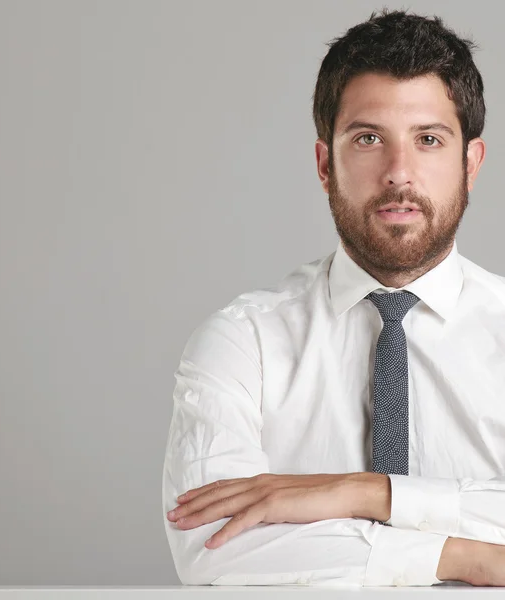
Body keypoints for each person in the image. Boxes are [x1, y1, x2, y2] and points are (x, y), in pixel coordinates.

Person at [162, 8, 505, 587]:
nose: (400, 172)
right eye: (369, 138)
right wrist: (467, 558)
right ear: (326, 164)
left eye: (428, 139)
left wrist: (367, 493)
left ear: (470, 163)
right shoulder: (244, 341)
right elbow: (212, 544)